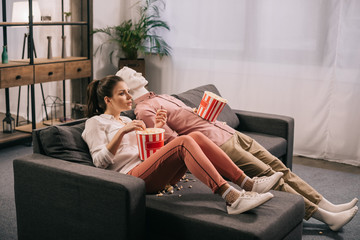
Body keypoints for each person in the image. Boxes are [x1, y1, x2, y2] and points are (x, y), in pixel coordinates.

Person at [116, 66, 358, 231]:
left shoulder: (163, 96)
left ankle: (326, 204)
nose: (140, 74)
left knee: (279, 168)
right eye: (134, 75)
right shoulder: (144, 111)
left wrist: (201, 112)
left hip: (228, 132)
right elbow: (172, 143)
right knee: (273, 179)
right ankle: (323, 216)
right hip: (218, 144)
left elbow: (188, 121)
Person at [82, 75, 285, 215]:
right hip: (130, 179)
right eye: (122, 93)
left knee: (195, 136)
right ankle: (231, 197)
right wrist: (120, 134)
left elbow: (149, 154)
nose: (129, 97)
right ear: (107, 100)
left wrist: (159, 128)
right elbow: (100, 162)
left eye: (128, 92)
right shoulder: (95, 123)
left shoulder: (126, 121)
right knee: (184, 141)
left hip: (150, 172)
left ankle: (247, 184)